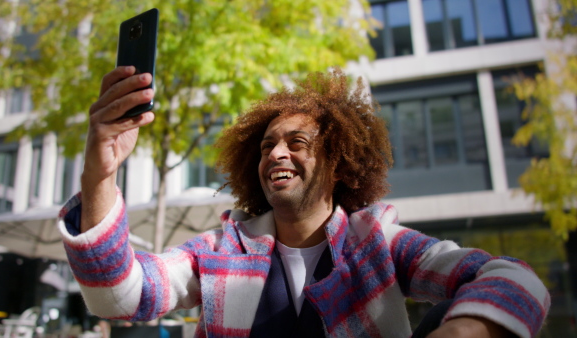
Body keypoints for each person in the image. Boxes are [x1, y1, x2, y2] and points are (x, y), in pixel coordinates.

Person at [58, 66, 550, 338]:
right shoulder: (218, 248)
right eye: (268, 144)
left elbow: (515, 278)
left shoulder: (379, 242)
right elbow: (117, 296)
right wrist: (100, 171)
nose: (276, 152)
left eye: (297, 143)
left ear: (337, 163)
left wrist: (467, 329)